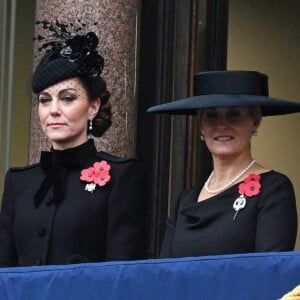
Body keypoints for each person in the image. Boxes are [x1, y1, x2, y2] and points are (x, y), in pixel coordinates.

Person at [0, 21, 147, 267]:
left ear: (93, 106)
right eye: (45, 101)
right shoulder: (19, 183)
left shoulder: (122, 177)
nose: (54, 110)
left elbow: (121, 272)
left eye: (67, 99)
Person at [148, 70, 300, 258]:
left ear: (255, 121)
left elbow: (269, 273)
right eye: (211, 115)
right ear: (201, 126)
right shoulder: (185, 199)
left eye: (234, 114)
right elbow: (165, 272)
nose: (222, 125)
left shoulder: (273, 189)